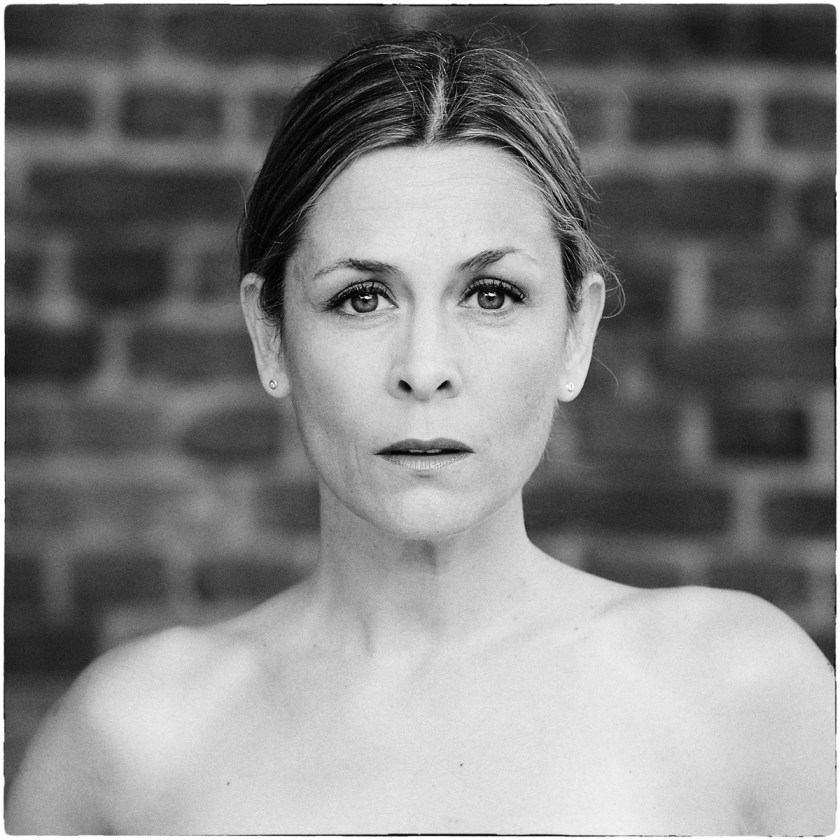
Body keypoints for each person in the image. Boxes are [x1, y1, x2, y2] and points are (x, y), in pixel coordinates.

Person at [7, 31, 834, 836]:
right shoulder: (133, 740)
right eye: (362, 298)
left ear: (576, 333)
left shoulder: (743, 694)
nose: (425, 367)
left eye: (491, 294)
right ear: (270, 335)